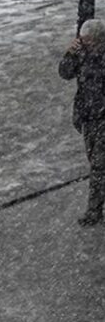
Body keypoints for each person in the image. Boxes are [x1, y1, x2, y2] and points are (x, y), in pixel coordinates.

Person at [58, 19, 105, 226]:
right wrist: (70, 53)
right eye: (84, 40)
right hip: (88, 118)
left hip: (102, 118)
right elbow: (65, 72)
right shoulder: (81, 54)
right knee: (95, 162)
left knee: (98, 167)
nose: (86, 44)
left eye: (90, 41)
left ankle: (94, 211)